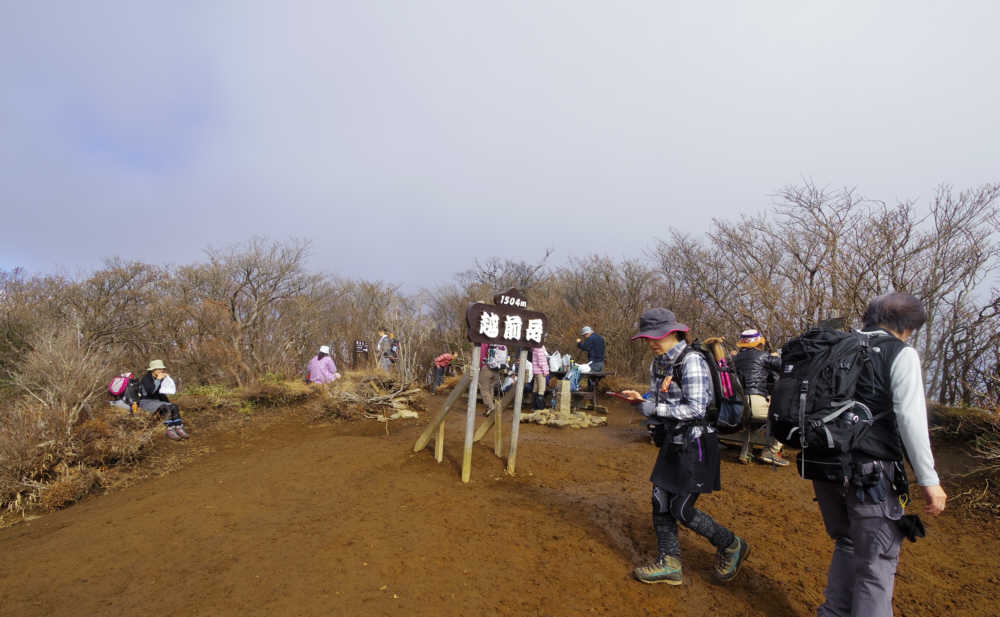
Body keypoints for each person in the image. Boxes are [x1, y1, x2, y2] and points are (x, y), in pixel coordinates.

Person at [811, 293, 946, 617]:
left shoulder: (837, 345)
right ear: (909, 327)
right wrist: (929, 480)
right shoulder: (900, 353)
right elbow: (910, 418)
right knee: (877, 564)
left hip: (825, 468)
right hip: (870, 475)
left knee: (846, 543)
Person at [621, 308, 749, 586]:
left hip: (697, 444)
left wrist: (649, 407)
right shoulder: (658, 364)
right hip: (673, 441)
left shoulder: (690, 360)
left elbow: (695, 408)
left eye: (659, 336)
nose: (653, 342)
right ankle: (670, 563)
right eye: (648, 338)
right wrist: (640, 400)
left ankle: (731, 544)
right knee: (659, 502)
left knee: (681, 509)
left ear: (675, 332)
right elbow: (658, 400)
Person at [732, 328, 788, 466]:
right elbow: (786, 367)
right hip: (755, 401)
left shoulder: (735, 358)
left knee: (753, 425)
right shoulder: (763, 356)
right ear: (758, 343)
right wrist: (776, 357)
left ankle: (745, 453)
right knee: (784, 419)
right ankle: (771, 451)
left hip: (738, 406)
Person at [138, 359, 189, 441]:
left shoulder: (160, 378)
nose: (161, 370)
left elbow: (162, 392)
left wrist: (169, 403)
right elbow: (151, 391)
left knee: (174, 406)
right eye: (159, 369)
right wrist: (158, 380)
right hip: (146, 401)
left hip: (157, 401)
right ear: (153, 370)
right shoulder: (146, 379)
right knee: (165, 407)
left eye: (162, 369)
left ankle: (179, 427)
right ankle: (169, 429)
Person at [478, 342, 504, 417]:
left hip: (486, 367)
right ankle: (488, 410)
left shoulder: (484, 342)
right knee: (490, 388)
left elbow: (482, 355)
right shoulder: (497, 341)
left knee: (484, 388)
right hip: (496, 368)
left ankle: (491, 407)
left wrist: (481, 366)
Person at [530, 343, 550, 410]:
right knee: (541, 389)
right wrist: (545, 371)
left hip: (536, 371)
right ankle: (540, 408)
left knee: (535, 388)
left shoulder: (534, 347)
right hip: (541, 371)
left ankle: (533, 407)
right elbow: (541, 361)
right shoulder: (539, 348)